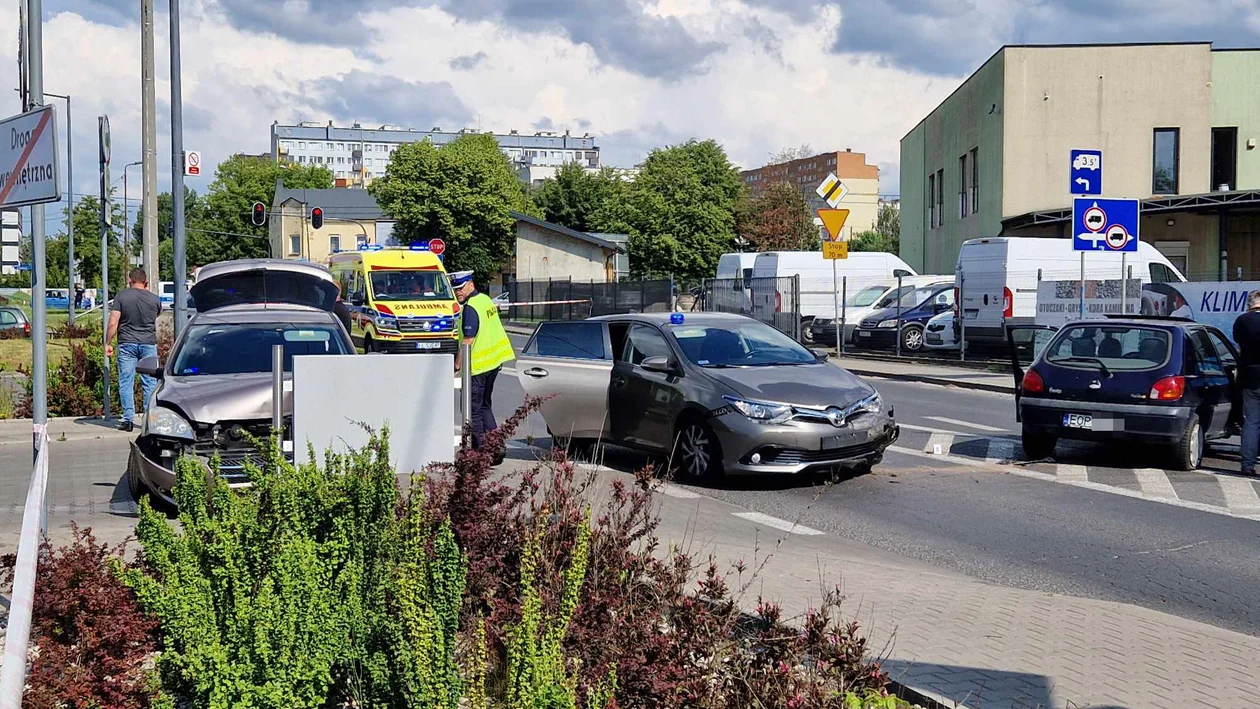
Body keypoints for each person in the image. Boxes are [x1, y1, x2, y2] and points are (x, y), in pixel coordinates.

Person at [452, 270, 515, 461]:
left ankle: (481, 453)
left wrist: (457, 366)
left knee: (473, 411)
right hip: (494, 363)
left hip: (478, 366)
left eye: (461, 288)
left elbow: (468, 340)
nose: (458, 293)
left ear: (470, 284)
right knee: (485, 406)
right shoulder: (485, 300)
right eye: (455, 290)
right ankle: (496, 448)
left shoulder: (470, 307)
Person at [106, 268, 162, 432]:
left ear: (130, 281)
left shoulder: (122, 297)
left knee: (126, 381)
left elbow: (113, 323)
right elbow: (156, 315)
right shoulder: (155, 299)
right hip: (148, 344)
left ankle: (128, 420)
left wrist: (107, 343)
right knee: (150, 382)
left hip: (126, 343)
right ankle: (149, 420)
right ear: (146, 282)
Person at [1233, 290, 1260, 476]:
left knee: (1251, 422)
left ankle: (1247, 464)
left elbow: (1238, 344)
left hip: (1250, 377)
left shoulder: (1241, 321)